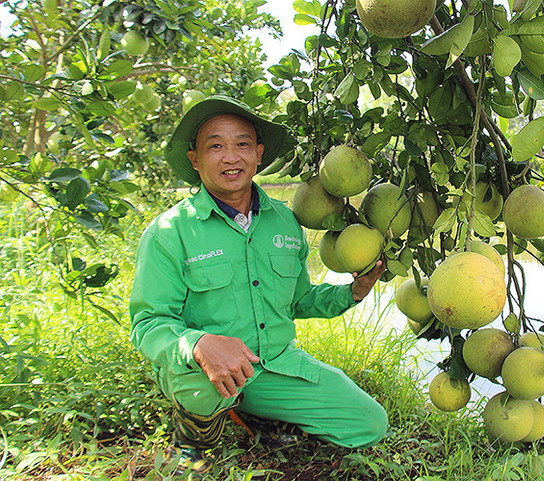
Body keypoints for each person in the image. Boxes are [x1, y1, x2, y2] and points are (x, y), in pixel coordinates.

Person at [129, 95, 389, 476]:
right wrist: (199, 345)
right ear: (195, 159)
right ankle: (193, 443)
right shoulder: (170, 232)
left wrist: (351, 293)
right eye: (215, 146)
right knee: (201, 386)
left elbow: (298, 301)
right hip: (204, 372)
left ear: (258, 154)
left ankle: (255, 413)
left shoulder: (285, 221)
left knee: (370, 422)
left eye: (242, 144)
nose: (230, 157)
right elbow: (147, 324)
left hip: (273, 365)